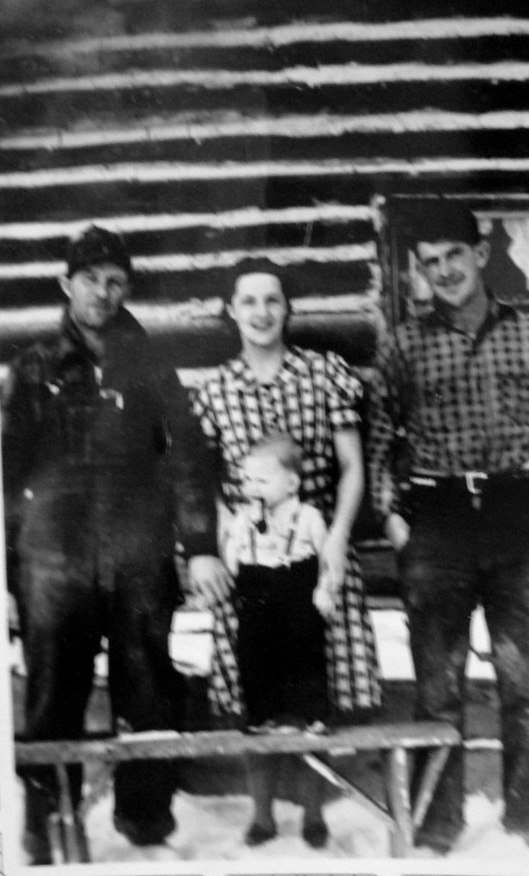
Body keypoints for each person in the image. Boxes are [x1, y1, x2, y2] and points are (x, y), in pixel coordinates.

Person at [1, 224, 223, 863]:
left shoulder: (151, 363)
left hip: (138, 551)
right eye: (91, 279)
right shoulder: (35, 366)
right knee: (51, 694)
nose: (103, 291)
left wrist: (200, 542)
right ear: (66, 284)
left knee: (149, 685)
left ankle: (146, 820)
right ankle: (48, 821)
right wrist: (11, 572)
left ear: (128, 287)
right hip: (54, 558)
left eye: (116, 280)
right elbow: (10, 477)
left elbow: (188, 456)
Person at [366, 201, 529, 854]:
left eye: (453, 256)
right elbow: (379, 441)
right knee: (438, 689)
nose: (443, 271)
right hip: (438, 521)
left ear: (480, 254)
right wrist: (397, 519)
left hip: (520, 519)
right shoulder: (404, 344)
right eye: (429, 264)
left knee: (524, 688)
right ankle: (438, 825)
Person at [192, 260, 381, 849]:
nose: (261, 312)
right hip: (248, 557)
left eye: (272, 300)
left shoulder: (325, 374)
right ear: (232, 310)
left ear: (287, 309)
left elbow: (352, 467)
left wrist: (337, 540)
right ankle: (262, 809)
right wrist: (220, 549)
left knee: (311, 679)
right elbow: (206, 484)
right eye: (248, 301)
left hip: (314, 546)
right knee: (257, 682)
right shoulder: (215, 389)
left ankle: (314, 806)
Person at [224, 432, 334, 737]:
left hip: (296, 582)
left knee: (305, 650)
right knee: (254, 650)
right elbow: (233, 548)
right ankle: (262, 714)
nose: (251, 488)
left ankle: (314, 714)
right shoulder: (243, 517)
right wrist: (232, 565)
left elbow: (327, 557)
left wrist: (325, 588)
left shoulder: (308, 516)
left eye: (262, 482)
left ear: (292, 484)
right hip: (255, 584)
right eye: (247, 480)